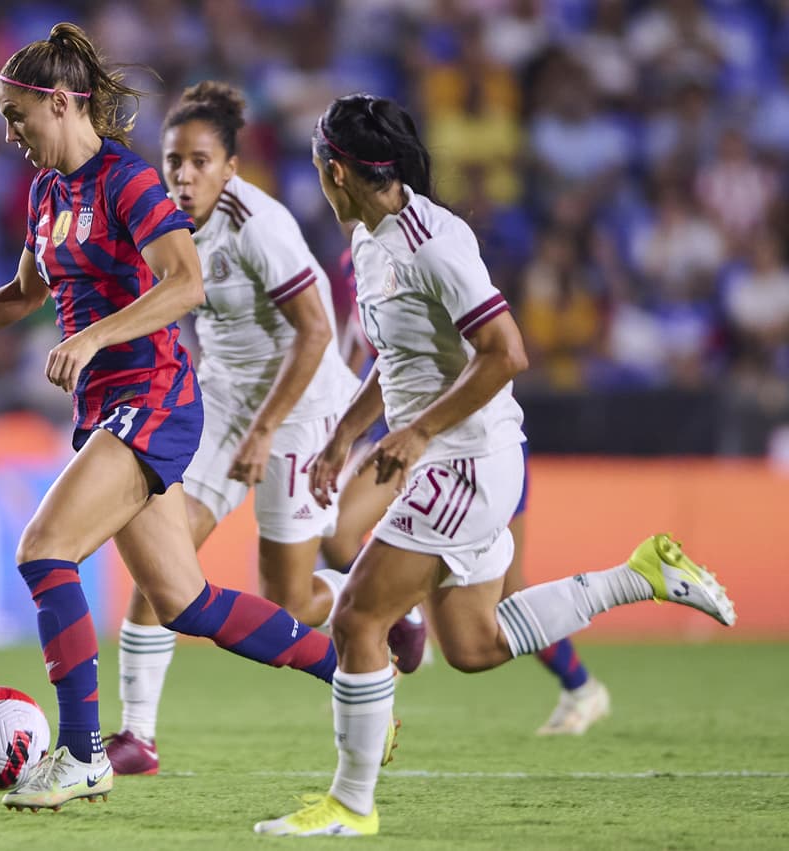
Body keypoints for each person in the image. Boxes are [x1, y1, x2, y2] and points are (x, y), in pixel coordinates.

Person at [0, 24, 338, 813]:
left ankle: (84, 753)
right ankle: (352, 672)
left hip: (153, 396)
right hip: (108, 409)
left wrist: (93, 335)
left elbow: (185, 282)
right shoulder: (48, 193)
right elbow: (27, 294)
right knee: (187, 601)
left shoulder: (127, 182)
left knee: (44, 550)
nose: (11, 134)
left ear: (60, 103)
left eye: (18, 116)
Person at [253, 93, 736, 838]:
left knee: (358, 617)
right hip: (451, 458)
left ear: (338, 172)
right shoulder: (370, 236)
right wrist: (346, 433)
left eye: (321, 162)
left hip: (466, 460)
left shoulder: (433, 242)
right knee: (473, 646)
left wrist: (415, 436)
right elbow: (400, 356)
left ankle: (351, 805)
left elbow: (508, 352)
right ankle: (641, 573)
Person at [103, 82, 364, 776]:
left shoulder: (259, 224)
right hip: (221, 396)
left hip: (301, 404)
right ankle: (137, 734)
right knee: (163, 551)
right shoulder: (157, 217)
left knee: (290, 599)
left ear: (230, 167)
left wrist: (266, 429)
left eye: (199, 161)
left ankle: (373, 595)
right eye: (172, 161)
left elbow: (316, 332)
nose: (183, 175)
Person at [324, 261, 611, 735]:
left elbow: (492, 350)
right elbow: (362, 356)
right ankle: (402, 620)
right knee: (340, 534)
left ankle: (581, 686)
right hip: (394, 431)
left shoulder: (426, 256)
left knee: (509, 595)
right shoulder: (357, 265)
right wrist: (343, 427)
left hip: (471, 445)